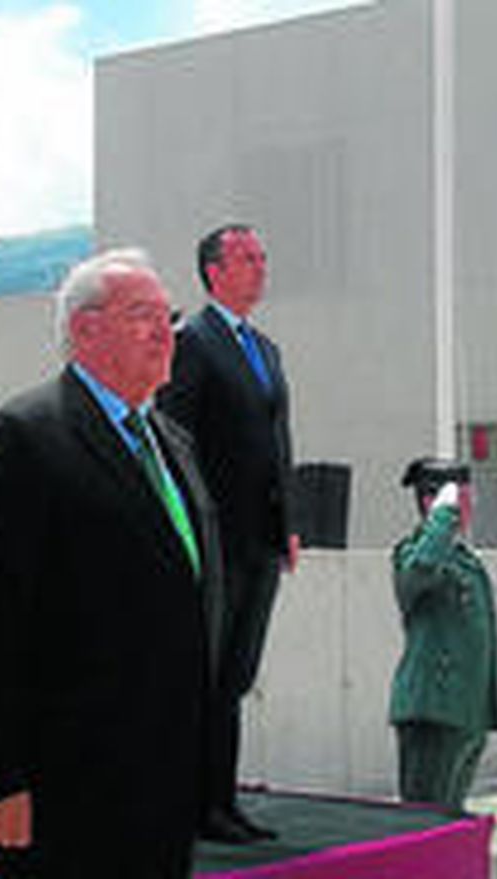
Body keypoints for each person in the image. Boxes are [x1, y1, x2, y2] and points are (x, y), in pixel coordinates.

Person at [0, 249, 223, 877]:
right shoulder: (25, 437)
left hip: (162, 786)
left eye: (169, 316)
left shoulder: (174, 443)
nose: (166, 332)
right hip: (62, 792)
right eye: (142, 316)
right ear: (86, 329)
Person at [157, 223, 297, 843]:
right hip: (215, 541)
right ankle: (194, 804)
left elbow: (278, 444)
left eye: (263, 256)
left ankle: (223, 799)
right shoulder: (193, 341)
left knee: (237, 674)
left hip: (260, 541)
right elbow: (175, 437)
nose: (261, 266)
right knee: (208, 674)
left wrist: (288, 523)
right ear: (214, 270)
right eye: (247, 257)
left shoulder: (265, 350)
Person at [388, 458, 497, 812]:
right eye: (461, 502)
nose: (469, 509)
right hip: (433, 710)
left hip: (467, 712)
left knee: (451, 821)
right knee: (423, 820)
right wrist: (441, 519)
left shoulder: (464, 558)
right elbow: (415, 575)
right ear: (432, 503)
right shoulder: (413, 553)